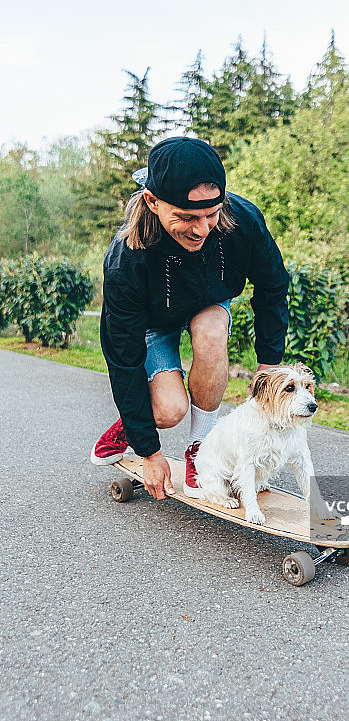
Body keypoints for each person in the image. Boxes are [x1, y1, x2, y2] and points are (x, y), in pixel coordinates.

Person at [91, 136, 289, 502]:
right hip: (153, 321)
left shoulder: (243, 221)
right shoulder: (127, 258)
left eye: (211, 215)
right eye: (186, 218)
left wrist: (269, 367)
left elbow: (273, 287)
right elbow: (123, 357)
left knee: (213, 330)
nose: (201, 229)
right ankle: (133, 426)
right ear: (152, 201)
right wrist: (149, 451)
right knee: (169, 410)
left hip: (207, 304)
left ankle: (200, 449)